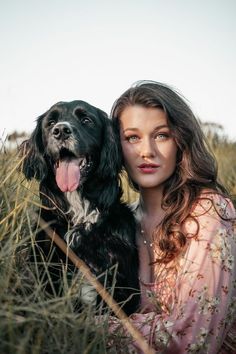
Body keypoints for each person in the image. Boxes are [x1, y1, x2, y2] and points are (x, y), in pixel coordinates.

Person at [108, 81, 236, 353]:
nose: (147, 151)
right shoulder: (121, 222)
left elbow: (194, 341)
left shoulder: (208, 213)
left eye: (161, 135)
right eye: (132, 137)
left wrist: (86, 326)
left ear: (181, 140)